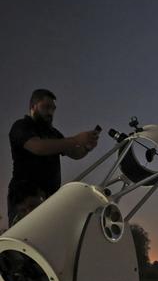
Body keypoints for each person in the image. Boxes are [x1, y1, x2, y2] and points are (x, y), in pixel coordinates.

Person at [7, 89, 99, 226]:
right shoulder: (21, 126)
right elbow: (38, 147)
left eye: (53, 109)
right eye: (46, 107)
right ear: (33, 107)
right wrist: (76, 139)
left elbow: (74, 154)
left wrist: (87, 147)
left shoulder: (54, 133)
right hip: (25, 198)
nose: (50, 112)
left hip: (50, 201)